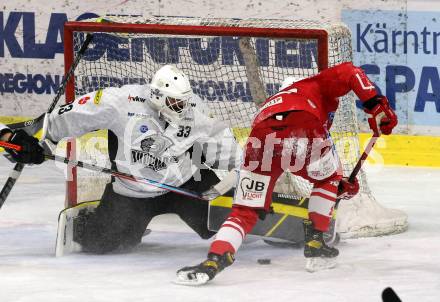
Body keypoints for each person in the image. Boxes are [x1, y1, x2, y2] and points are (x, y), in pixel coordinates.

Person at [176, 62, 398, 285]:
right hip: (302, 126)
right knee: (328, 178)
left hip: (260, 137)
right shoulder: (313, 86)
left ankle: (215, 259)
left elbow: (286, 153)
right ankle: (315, 242)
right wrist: (376, 105)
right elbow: (351, 71)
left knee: (244, 212)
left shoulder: (274, 104)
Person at [0, 65, 242, 255]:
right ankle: (89, 219)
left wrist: (243, 170)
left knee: (227, 224)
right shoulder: (119, 102)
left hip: (185, 185)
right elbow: (66, 118)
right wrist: (34, 141)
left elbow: (220, 143)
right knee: (98, 244)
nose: (180, 107)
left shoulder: (193, 108)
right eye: (174, 102)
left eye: (183, 101)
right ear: (157, 95)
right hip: (132, 194)